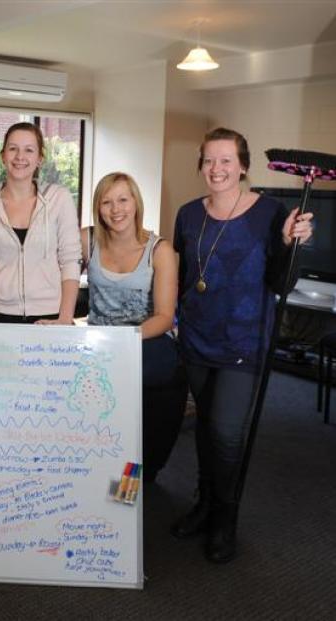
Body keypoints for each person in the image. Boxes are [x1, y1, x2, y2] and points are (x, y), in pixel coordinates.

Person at [169, 127, 313, 563]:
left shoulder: (272, 213)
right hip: (196, 337)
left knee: (226, 433)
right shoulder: (188, 214)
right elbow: (182, 277)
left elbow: (281, 283)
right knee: (205, 432)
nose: (217, 169)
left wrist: (290, 244)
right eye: (209, 160)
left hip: (243, 343)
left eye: (226, 160)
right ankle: (204, 501)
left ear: (243, 165)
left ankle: (224, 519)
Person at [83, 172, 181, 480]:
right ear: (97, 209)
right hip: (98, 344)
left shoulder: (160, 250)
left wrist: (124, 341)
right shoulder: (86, 239)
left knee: (132, 417)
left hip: (144, 341)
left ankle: (131, 482)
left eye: (123, 199)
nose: (116, 209)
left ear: (136, 203)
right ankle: (93, 477)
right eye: (106, 202)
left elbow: (165, 316)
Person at [0, 122, 81, 327]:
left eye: (29, 150)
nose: (20, 157)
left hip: (51, 316)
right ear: (3, 155)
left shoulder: (59, 199)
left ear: (39, 159)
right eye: (13, 149)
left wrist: (65, 318)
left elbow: (70, 261)